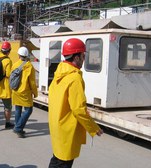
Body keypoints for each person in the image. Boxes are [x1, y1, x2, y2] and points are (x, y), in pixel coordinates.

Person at [48, 38, 103, 168]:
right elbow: (78, 109)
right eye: (83, 56)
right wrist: (94, 128)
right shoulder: (74, 78)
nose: (84, 59)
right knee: (63, 162)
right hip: (68, 128)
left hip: (58, 125)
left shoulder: (59, 72)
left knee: (57, 159)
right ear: (76, 57)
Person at [11, 47, 38, 138]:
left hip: (15, 90)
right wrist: (35, 92)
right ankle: (18, 128)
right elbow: (32, 82)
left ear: (18, 55)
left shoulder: (15, 65)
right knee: (28, 110)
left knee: (18, 109)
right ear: (27, 56)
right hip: (25, 92)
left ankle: (18, 127)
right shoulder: (29, 66)